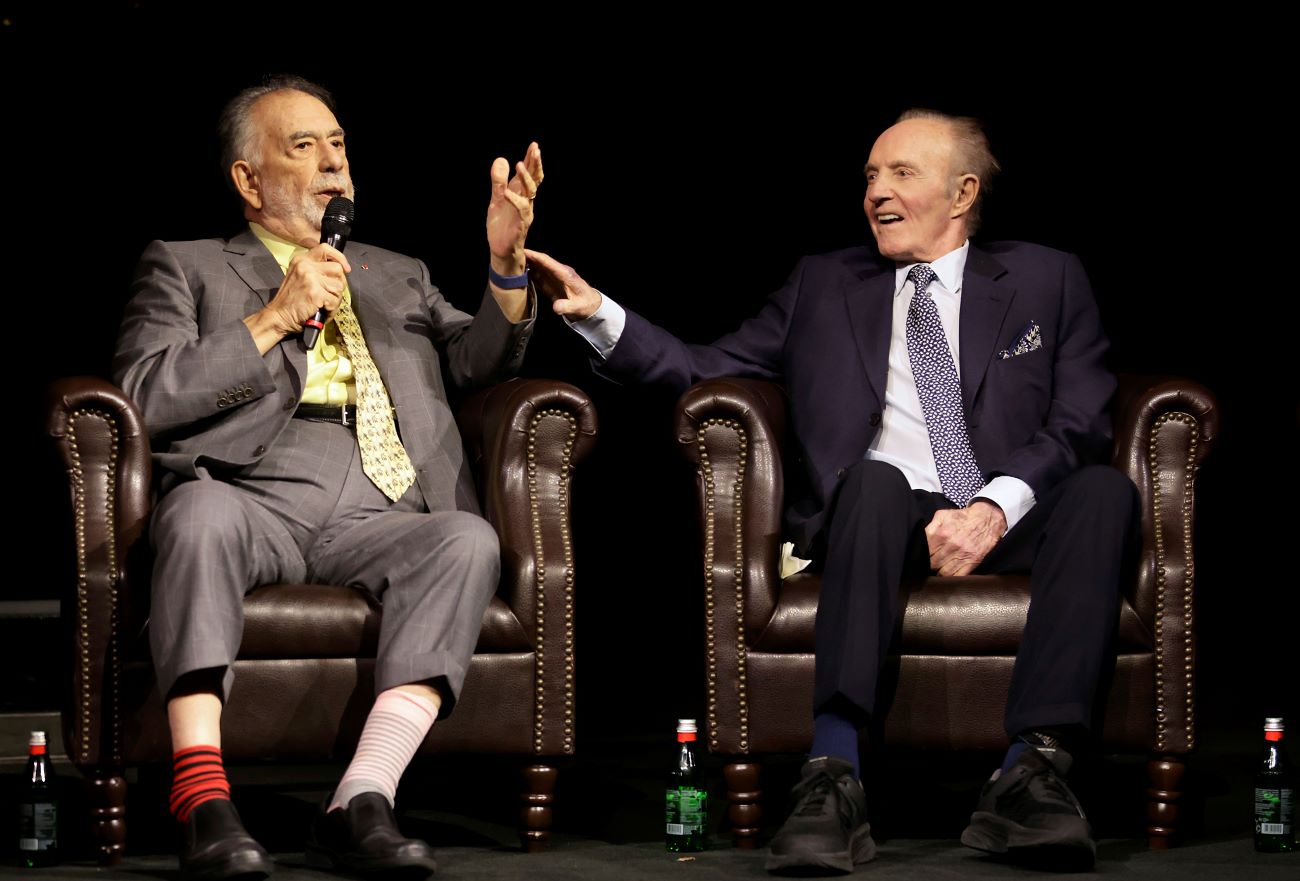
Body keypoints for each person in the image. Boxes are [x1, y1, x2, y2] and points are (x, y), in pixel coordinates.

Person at [526, 108, 1136, 873]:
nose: (876, 190)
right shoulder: (824, 283)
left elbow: (1081, 415)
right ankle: (834, 772)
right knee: (875, 480)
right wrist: (601, 315)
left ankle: (1032, 772)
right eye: (871, 176)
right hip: (876, 515)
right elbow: (701, 367)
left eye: (900, 173)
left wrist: (990, 507)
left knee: (1103, 492)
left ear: (962, 192)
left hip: (1004, 508)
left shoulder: (1049, 277)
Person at [113, 75, 542, 880]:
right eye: (302, 146)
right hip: (254, 489)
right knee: (197, 514)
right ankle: (202, 795)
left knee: (464, 539)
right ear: (248, 180)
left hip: (385, 500)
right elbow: (145, 393)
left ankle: (359, 798)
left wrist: (504, 267)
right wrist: (273, 315)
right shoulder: (188, 265)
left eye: (338, 145)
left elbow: (477, 359)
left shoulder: (396, 270)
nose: (331, 164)